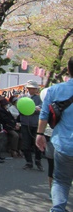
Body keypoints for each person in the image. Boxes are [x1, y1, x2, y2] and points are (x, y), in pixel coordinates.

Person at [36, 57, 73, 212]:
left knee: (61, 181)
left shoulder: (54, 90)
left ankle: (57, 209)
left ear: (69, 70)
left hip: (64, 145)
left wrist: (40, 134)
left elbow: (44, 115)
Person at [20, 80, 43, 171]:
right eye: (29, 88)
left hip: (36, 124)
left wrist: (35, 109)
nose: (31, 90)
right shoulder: (23, 97)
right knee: (26, 144)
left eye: (33, 88)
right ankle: (28, 162)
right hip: (25, 123)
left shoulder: (40, 98)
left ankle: (38, 160)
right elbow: (20, 108)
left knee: (37, 143)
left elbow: (42, 108)